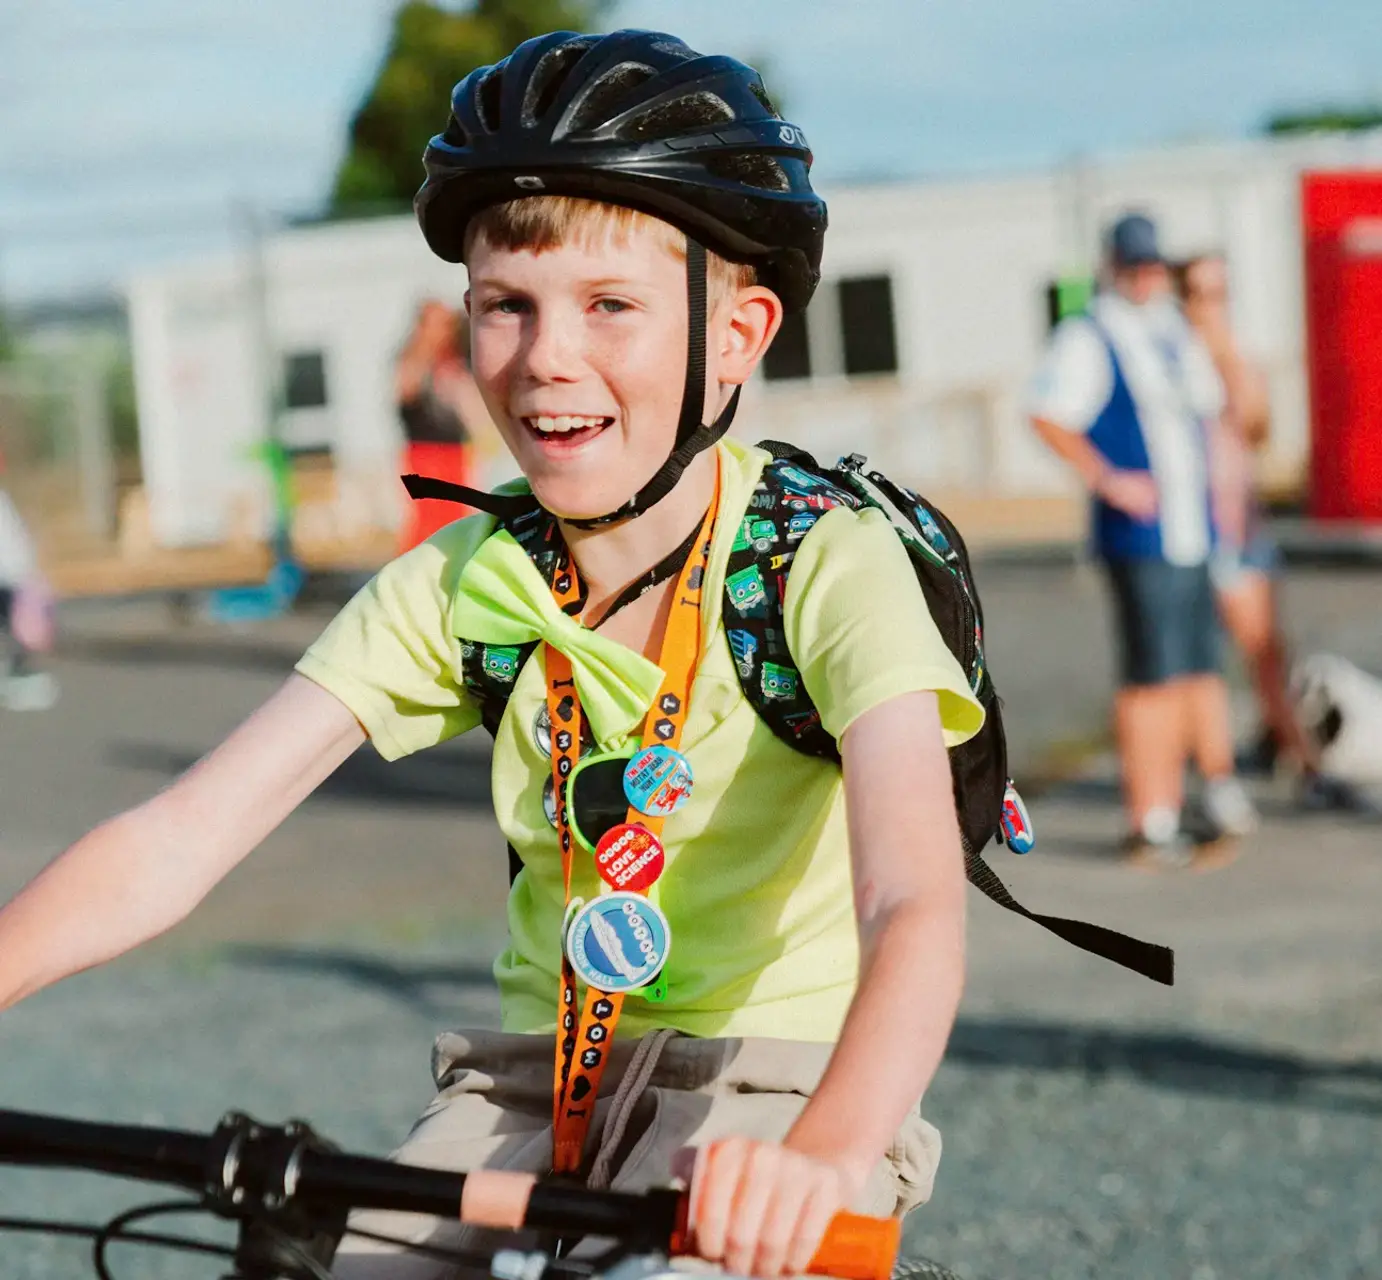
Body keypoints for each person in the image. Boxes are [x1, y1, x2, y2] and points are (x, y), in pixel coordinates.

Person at [0, 32, 984, 1280]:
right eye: (504, 305)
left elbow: (911, 900)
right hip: (532, 1091)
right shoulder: (467, 580)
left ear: (736, 335)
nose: (544, 357)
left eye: (609, 305)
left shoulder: (822, 563)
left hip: (772, 1085)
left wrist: (828, 1151)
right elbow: (177, 839)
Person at [1029, 215, 1255, 859]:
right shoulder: (1090, 334)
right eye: (1134, 266)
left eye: (1153, 266)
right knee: (1151, 678)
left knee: (1198, 667)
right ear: (1112, 266)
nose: (1145, 277)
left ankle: (1203, 791)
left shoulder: (1171, 329)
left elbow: (1219, 414)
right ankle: (1148, 815)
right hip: (1143, 535)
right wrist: (1109, 480)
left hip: (1192, 529)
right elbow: (1047, 414)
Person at [1174, 254, 1366, 811]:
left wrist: (1228, 354)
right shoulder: (1172, 362)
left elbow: (1256, 427)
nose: (1213, 306)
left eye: (1220, 293)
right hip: (1205, 533)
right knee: (1222, 657)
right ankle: (1293, 765)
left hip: (1244, 525)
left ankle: (1273, 743)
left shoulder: (1230, 360)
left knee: (1268, 651)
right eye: (1202, 294)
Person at [393, 297, 492, 552]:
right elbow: (405, 391)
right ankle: (415, 571)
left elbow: (472, 409)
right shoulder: (411, 358)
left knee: (454, 515)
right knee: (427, 516)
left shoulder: (454, 361)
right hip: (423, 451)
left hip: (453, 451)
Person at [0, 478, 56, 711]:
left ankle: (16, 672)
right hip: (15, 578)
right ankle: (16, 672)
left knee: (23, 622)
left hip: (14, 578)